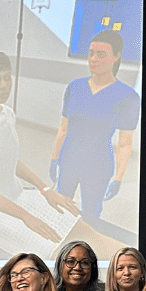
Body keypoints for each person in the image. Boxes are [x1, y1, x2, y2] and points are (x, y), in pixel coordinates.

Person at [0, 52, 125, 260]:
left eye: (7, 77)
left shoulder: (7, 114)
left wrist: (45, 189)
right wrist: (26, 217)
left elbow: (10, 160)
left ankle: (140, 266)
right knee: (61, 253)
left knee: (83, 229)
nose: (3, 85)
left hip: (19, 196)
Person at [49, 29, 140, 243]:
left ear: (116, 56)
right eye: (91, 53)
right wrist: (54, 159)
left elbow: (125, 143)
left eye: (101, 54)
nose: (93, 59)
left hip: (97, 164)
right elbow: (63, 128)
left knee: (90, 216)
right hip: (69, 158)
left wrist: (118, 178)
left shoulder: (127, 96)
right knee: (62, 209)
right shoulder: (75, 87)